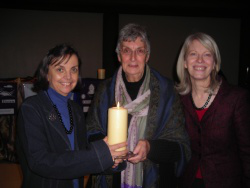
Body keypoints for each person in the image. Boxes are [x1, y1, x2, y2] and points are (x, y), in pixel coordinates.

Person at [86, 23, 191, 188]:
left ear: (147, 56)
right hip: (111, 179)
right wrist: (106, 149)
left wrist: (151, 148)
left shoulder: (167, 91)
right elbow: (91, 132)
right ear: (119, 56)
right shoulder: (105, 90)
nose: (133, 58)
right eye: (127, 51)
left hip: (153, 179)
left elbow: (180, 147)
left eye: (140, 51)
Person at [16, 43, 128, 188]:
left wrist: (111, 160)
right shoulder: (31, 108)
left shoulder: (75, 110)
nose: (68, 76)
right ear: (47, 73)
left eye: (73, 69)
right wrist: (99, 154)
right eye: (60, 69)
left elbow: (82, 155)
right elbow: (40, 161)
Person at [175, 32, 250, 188]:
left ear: (215, 63)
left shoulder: (236, 98)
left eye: (207, 54)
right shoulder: (177, 100)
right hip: (187, 182)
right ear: (185, 62)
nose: (200, 60)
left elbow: (247, 151)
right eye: (193, 54)